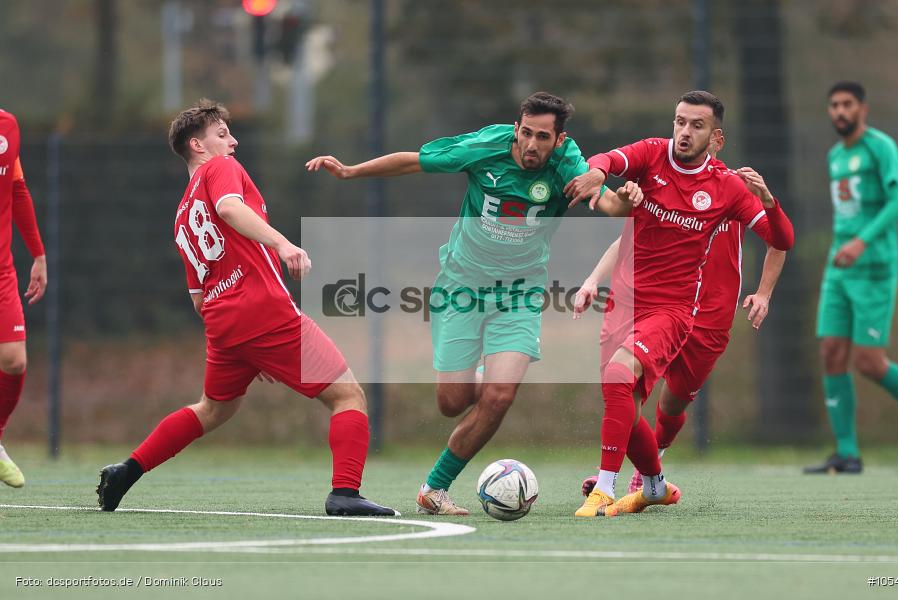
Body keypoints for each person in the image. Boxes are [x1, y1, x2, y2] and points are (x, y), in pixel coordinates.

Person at [305, 92, 640, 515]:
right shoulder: (486, 147)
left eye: (542, 136)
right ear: (516, 128)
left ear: (559, 139)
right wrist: (351, 171)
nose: (532, 144)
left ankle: (435, 487)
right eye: (526, 133)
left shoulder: (568, 161)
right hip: (461, 286)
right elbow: (414, 160)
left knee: (500, 395)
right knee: (451, 402)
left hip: (520, 293)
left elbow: (609, 204)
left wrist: (624, 198)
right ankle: (485, 370)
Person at [96, 99, 397, 516]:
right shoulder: (220, 169)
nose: (232, 141)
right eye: (222, 134)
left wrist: (247, 345)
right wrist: (283, 243)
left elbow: (198, 298)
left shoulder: (183, 215)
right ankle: (344, 494)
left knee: (213, 409)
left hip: (223, 323)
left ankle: (126, 471)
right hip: (262, 310)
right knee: (348, 396)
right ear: (198, 146)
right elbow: (229, 207)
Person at [564, 91, 793, 516]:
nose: (685, 132)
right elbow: (631, 232)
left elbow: (780, 241)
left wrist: (764, 292)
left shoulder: (729, 190)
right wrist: (594, 279)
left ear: (717, 138)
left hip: (705, 313)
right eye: (680, 122)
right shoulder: (654, 162)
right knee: (622, 387)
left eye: (697, 125)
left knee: (670, 403)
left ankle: (639, 475)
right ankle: (645, 479)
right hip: (645, 303)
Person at [805, 81, 898, 474]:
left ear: (863, 108)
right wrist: (845, 246)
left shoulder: (881, 147)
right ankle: (847, 453)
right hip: (838, 267)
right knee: (830, 351)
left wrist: (861, 242)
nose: (839, 112)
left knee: (869, 362)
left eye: (847, 104)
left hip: (874, 268)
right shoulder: (833, 156)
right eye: (833, 105)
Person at [0, 109, 47, 489]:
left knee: (14, 361)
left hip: (2, 271)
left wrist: (38, 254)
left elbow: (17, 189)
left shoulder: (9, 126)